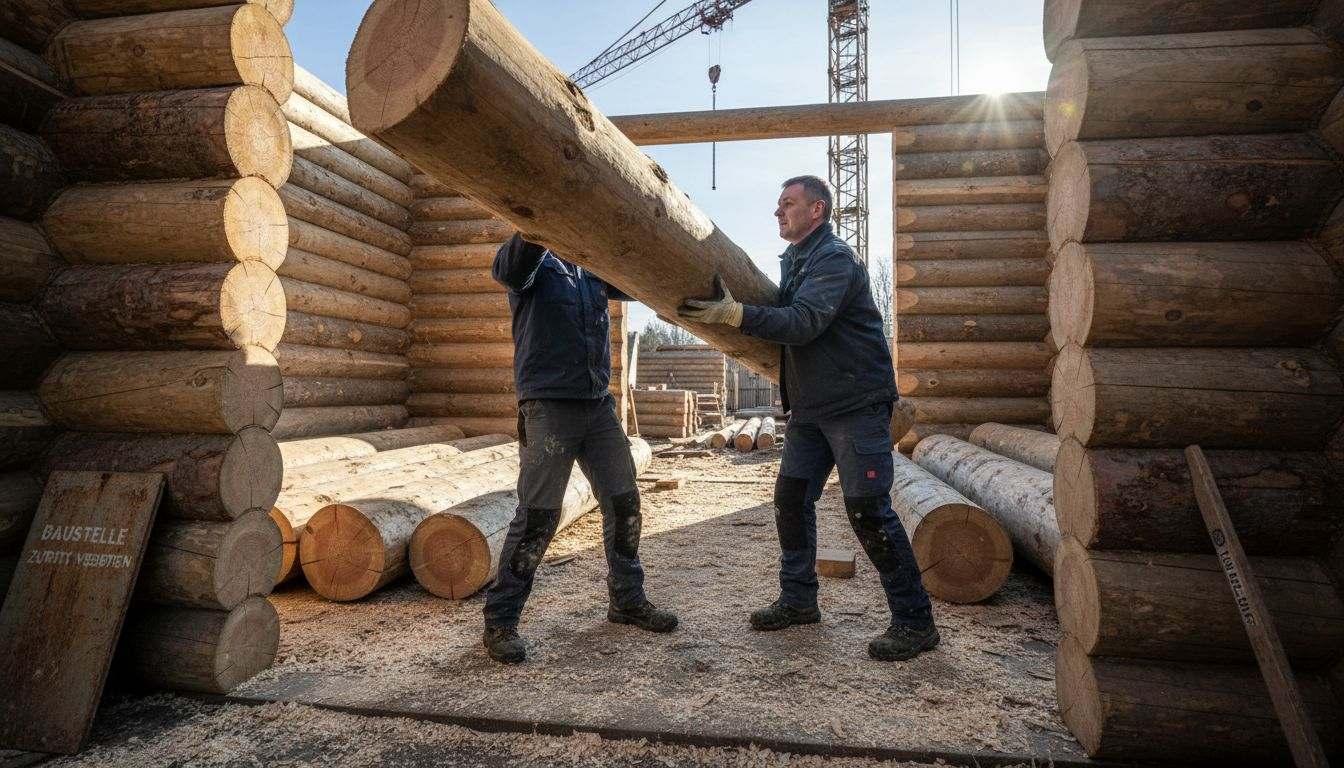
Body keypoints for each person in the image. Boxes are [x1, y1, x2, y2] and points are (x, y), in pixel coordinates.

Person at [678, 175, 938, 661]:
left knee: (869, 513)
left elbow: (804, 323)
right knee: (791, 500)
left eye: (788, 204)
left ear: (817, 209)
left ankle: (915, 621)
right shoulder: (797, 261)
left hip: (856, 405)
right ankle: (799, 600)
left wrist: (737, 315)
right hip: (812, 411)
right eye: (778, 204)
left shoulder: (834, 258)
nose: (778, 212)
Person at [482, 233, 678, 664]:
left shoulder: (592, 264)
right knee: (538, 517)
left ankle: (626, 599)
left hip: (597, 405)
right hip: (549, 405)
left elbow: (641, 280)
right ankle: (501, 619)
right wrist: (538, 220)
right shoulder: (530, 257)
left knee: (625, 503)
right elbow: (510, 271)